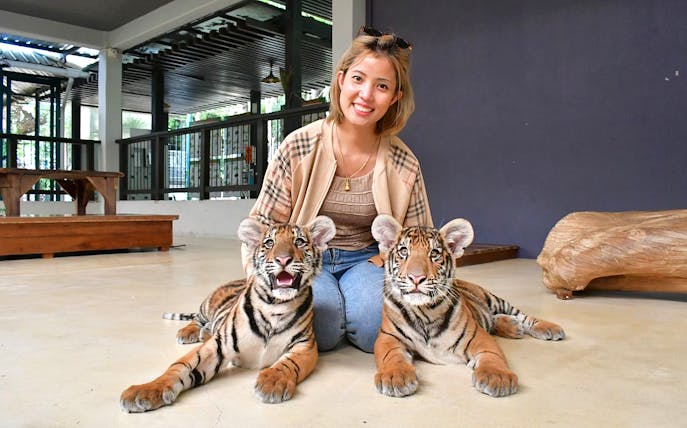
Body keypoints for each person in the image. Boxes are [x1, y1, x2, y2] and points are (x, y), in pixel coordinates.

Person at [245, 26, 433, 353]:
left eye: (382, 86)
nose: (365, 95)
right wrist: (259, 281)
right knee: (325, 328)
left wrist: (380, 263)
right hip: (304, 257)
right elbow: (262, 223)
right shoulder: (298, 146)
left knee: (375, 327)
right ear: (341, 79)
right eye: (358, 79)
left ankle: (353, 303)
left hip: (368, 259)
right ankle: (337, 308)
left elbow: (421, 237)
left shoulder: (406, 163)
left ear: (395, 97)